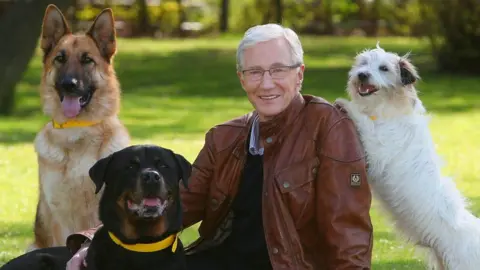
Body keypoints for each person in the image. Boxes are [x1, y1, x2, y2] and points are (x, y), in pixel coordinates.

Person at [1, 23, 373, 270]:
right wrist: (86, 243)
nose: (267, 83)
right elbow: (178, 200)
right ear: (242, 79)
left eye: (278, 69)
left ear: (300, 73)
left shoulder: (327, 127)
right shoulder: (226, 137)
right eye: (254, 72)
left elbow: (348, 234)